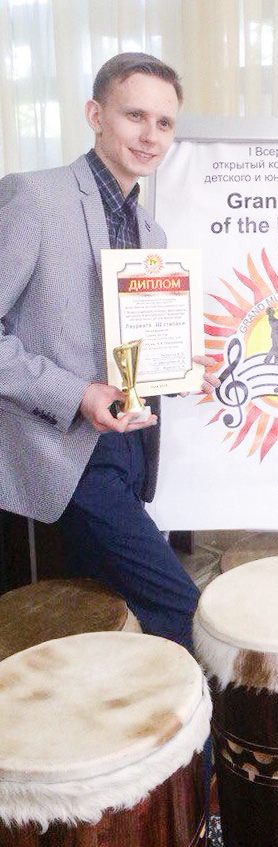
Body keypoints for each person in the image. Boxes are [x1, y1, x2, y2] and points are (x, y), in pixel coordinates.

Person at [0, 52, 216, 652]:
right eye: (134, 116)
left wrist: (177, 367)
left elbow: (125, 348)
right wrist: (77, 394)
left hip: (130, 448)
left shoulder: (152, 233)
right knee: (179, 607)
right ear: (96, 115)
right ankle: (199, 720)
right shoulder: (33, 198)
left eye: (164, 123)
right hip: (62, 453)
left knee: (107, 626)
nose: (151, 135)